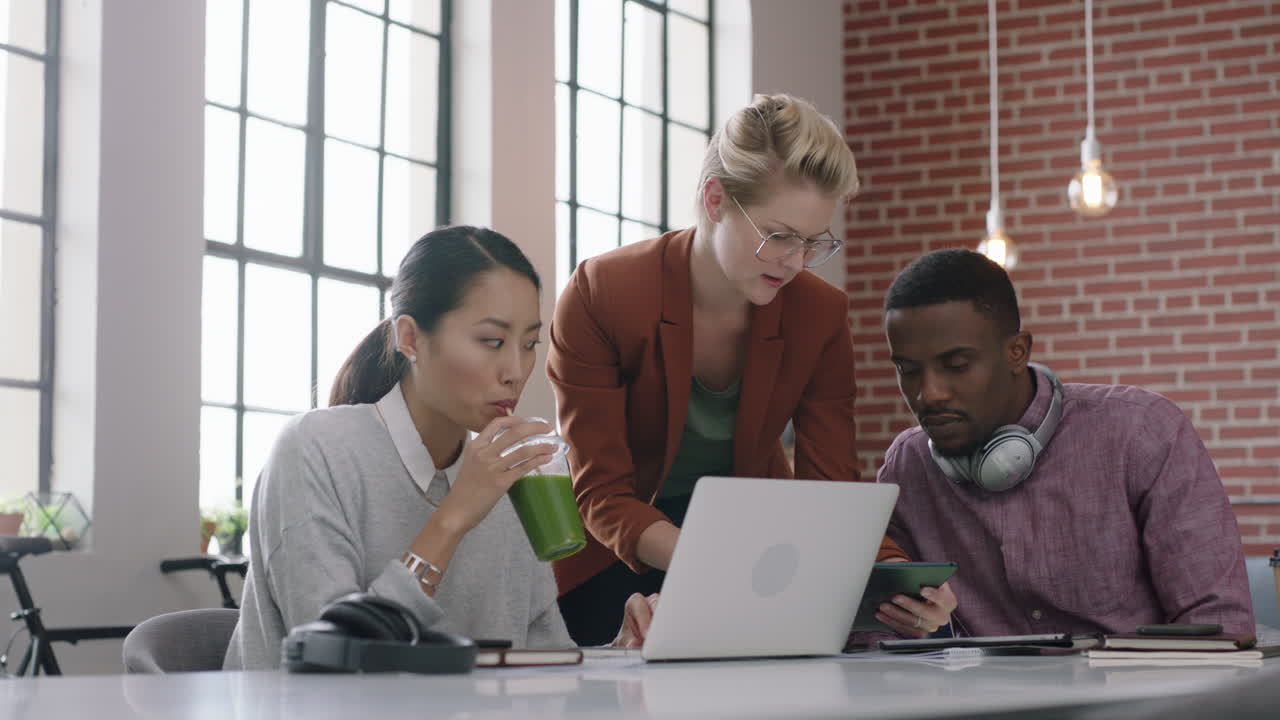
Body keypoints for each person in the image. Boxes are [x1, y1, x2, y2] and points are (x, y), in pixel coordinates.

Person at [549, 94, 957, 646]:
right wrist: (710, 566)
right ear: (715, 200)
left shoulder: (820, 313)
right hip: (612, 552)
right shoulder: (602, 293)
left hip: (747, 548)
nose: (797, 262)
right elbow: (600, 492)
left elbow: (829, 492)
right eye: (780, 235)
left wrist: (898, 580)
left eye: (815, 242)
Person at [225, 226, 653, 670]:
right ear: (409, 338)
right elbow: (330, 665)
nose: (515, 371)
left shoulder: (511, 484)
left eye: (528, 345)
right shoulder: (313, 450)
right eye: (491, 341)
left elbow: (541, 665)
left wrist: (620, 656)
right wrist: (455, 514)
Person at [877, 248, 1255, 637]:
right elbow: (870, 635)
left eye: (956, 366)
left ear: (1016, 352)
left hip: (1138, 694)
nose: (928, 394)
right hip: (981, 697)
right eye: (908, 370)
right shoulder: (908, 466)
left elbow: (1219, 626)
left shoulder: (1141, 433)